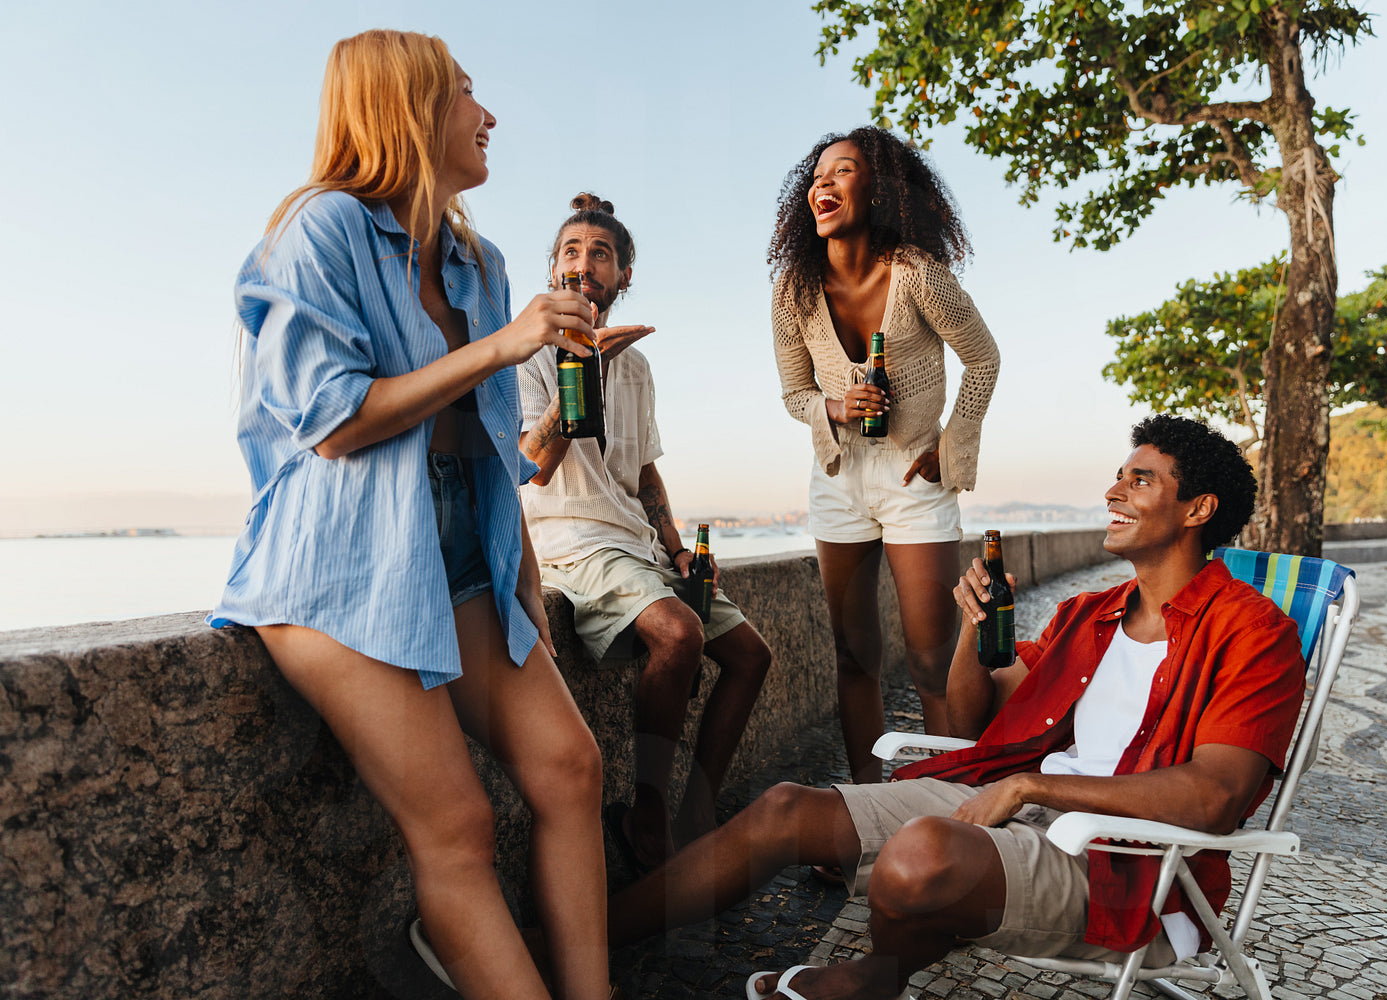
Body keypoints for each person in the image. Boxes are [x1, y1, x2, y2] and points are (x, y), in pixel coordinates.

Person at [606, 415, 1307, 1000]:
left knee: (920, 855)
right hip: (1019, 811)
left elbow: (1214, 797)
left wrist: (1031, 786)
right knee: (785, 809)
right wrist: (975, 629)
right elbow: (972, 721)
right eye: (1119, 474)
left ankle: (875, 978)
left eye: (1140, 480)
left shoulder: (1254, 635)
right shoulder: (1090, 614)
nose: (1112, 491)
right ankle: (584, 939)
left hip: (1128, 868)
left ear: (1198, 510)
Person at [209, 31, 612, 1000]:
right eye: (466, 93)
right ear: (410, 108)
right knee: (458, 827)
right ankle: (463, 939)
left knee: (570, 766)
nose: (489, 114)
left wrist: (523, 581)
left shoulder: (479, 260)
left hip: (458, 558)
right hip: (338, 567)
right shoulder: (319, 231)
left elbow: (487, 443)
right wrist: (503, 346)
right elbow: (334, 423)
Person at [518, 194, 774, 871]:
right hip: (572, 544)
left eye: (600, 254)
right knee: (678, 634)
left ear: (623, 275)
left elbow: (645, 472)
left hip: (638, 546)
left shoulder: (637, 366)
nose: (583, 264)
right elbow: (532, 467)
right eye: (570, 251)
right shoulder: (528, 350)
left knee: (751, 657)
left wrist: (678, 547)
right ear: (552, 269)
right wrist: (584, 369)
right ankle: (648, 816)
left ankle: (698, 813)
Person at [770, 126, 1001, 787]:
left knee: (932, 662)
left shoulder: (918, 274)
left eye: (842, 170)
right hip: (838, 478)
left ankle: (952, 807)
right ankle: (868, 812)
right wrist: (834, 407)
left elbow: (984, 359)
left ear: (879, 188)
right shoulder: (793, 292)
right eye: (817, 174)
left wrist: (951, 446)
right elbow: (794, 394)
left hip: (914, 478)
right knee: (854, 658)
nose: (823, 181)